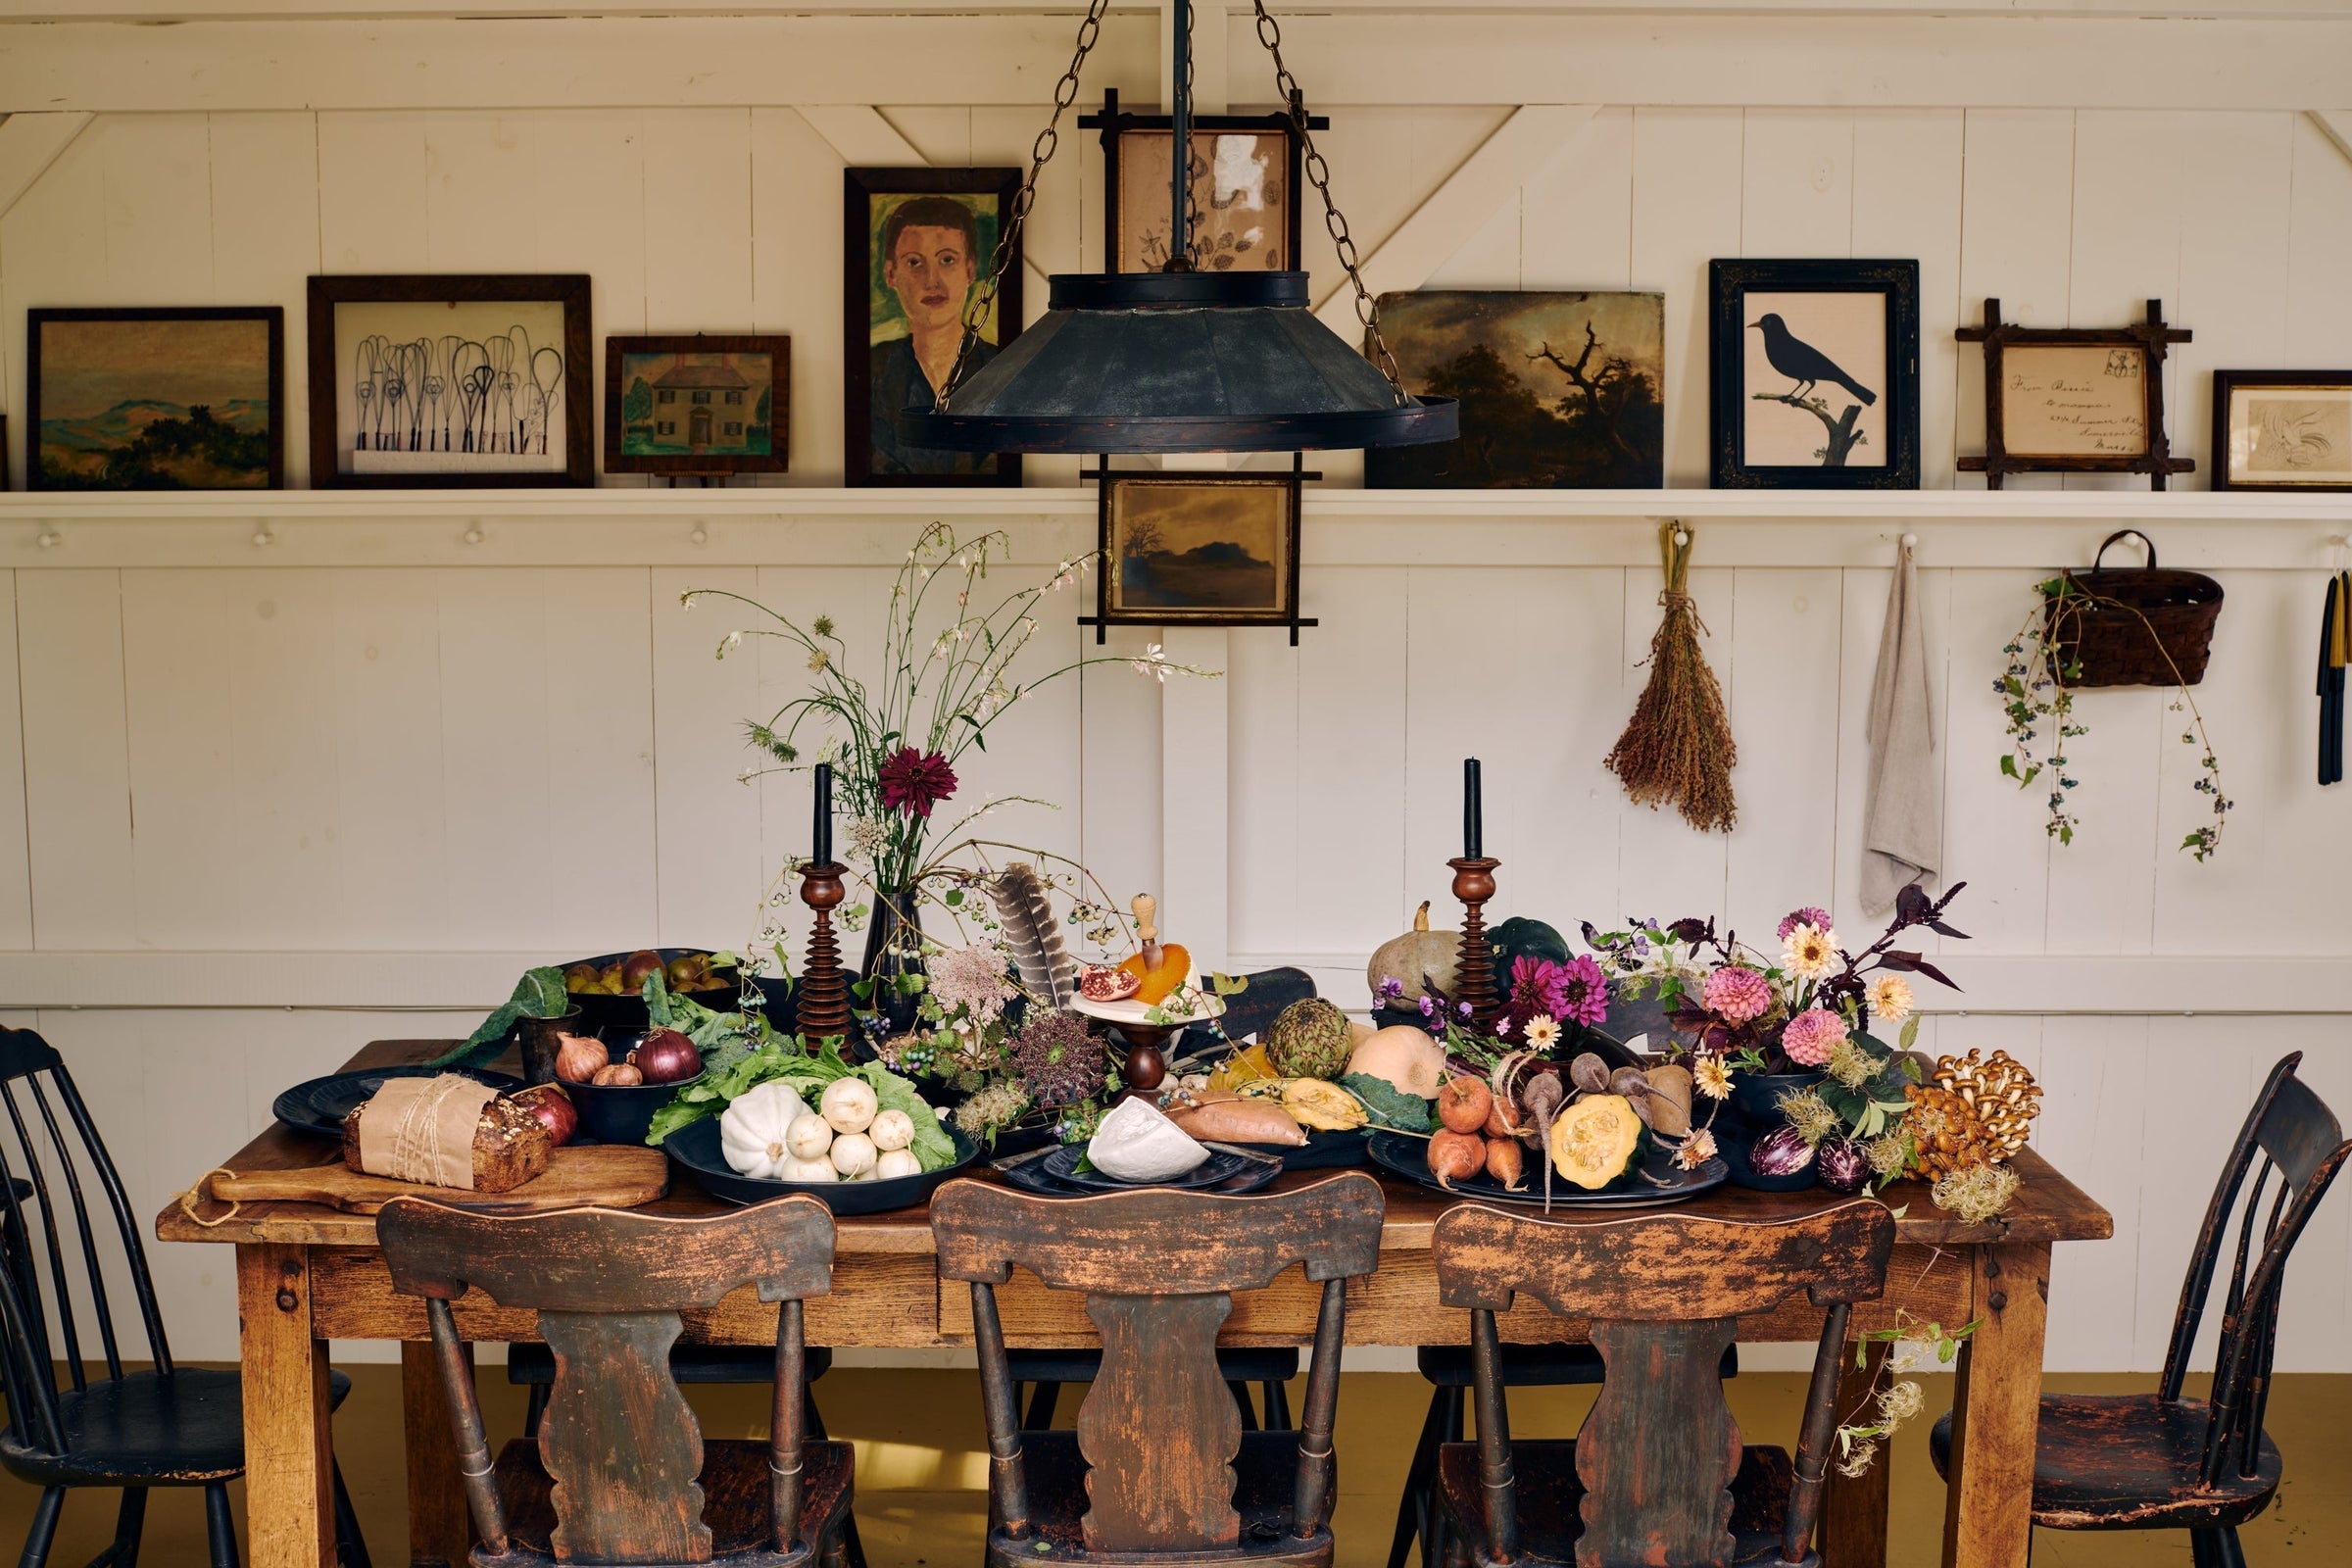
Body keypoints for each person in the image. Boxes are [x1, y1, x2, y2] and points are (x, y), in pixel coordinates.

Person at [869, 194, 999, 476]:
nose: (932, 280)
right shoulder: (872, 370)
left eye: (947, 260)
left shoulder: (1001, 368)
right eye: (914, 262)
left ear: (969, 270)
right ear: (891, 274)